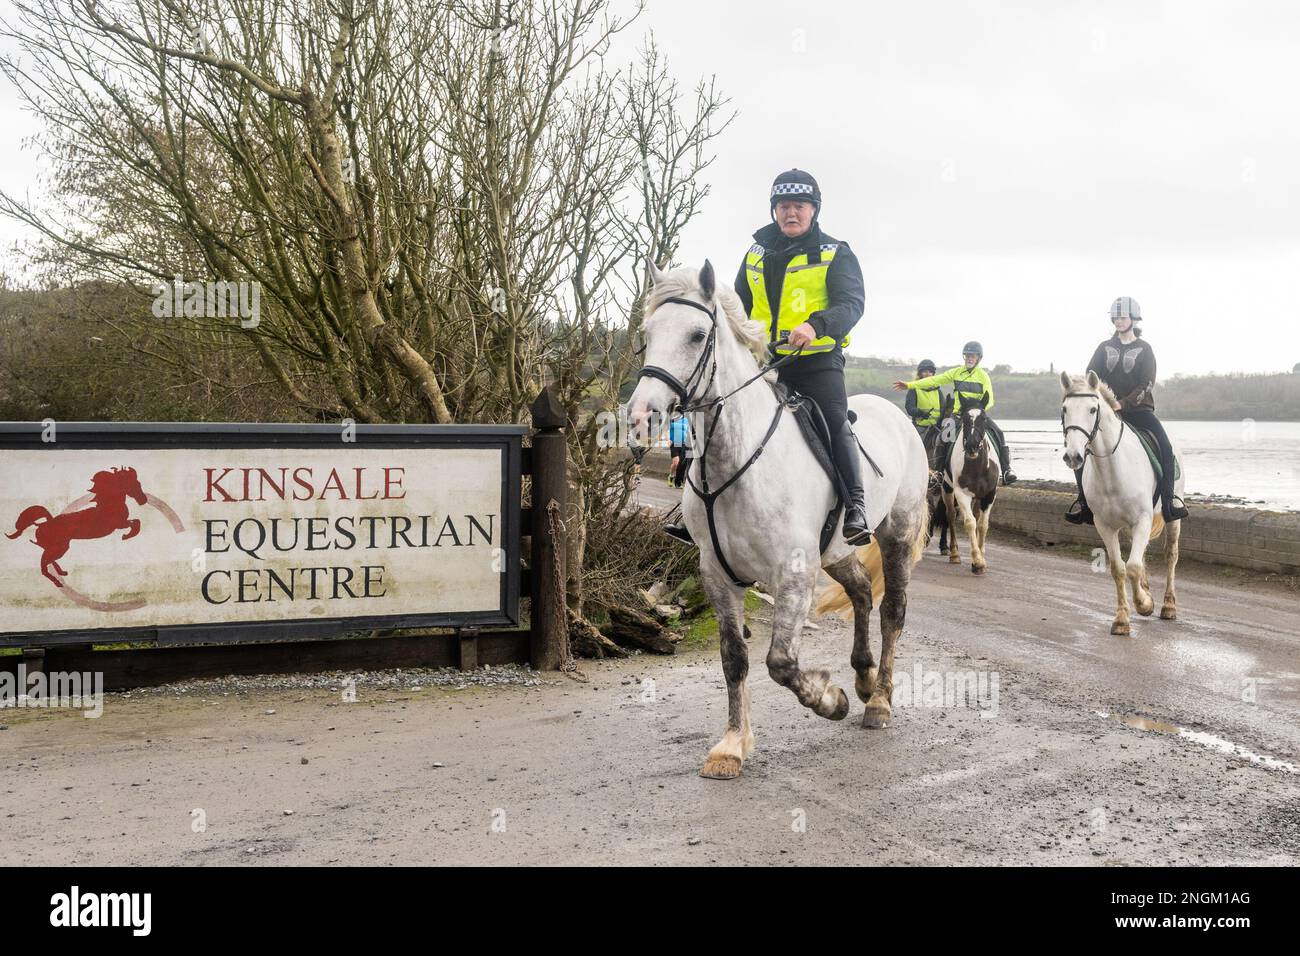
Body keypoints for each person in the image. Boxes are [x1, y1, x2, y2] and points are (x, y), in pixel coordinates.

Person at [664, 168, 871, 546]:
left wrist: (815, 325)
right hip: (763, 362)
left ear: (814, 210)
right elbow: (737, 307)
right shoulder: (756, 254)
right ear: (774, 210)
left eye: (799, 206)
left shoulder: (836, 253)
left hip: (816, 363)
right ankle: (690, 510)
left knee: (835, 421)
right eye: (783, 206)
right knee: (711, 412)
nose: (791, 213)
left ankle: (856, 506)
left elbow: (852, 304)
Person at [1065, 297, 1189, 525]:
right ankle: (1084, 503)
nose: (1119, 321)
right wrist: (1104, 403)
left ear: (1133, 319)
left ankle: (1170, 501)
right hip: (1107, 415)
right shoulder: (1104, 348)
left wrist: (1123, 403)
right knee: (1079, 449)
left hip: (1139, 411)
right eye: (1116, 318)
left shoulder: (1144, 349)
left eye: (1123, 317)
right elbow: (1090, 376)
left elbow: (1147, 384)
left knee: (1166, 447)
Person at [892, 342, 1017, 483]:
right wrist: (909, 385)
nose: (969, 358)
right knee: (943, 437)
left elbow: (990, 400)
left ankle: (1007, 470)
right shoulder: (956, 373)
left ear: (978, 358)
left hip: (977, 416)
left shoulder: (983, 376)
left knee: (999, 433)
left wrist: (977, 413)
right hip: (958, 415)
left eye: (973, 356)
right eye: (967, 356)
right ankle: (938, 472)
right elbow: (933, 380)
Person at [905, 358, 946, 469]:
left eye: (930, 372)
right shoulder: (914, 389)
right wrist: (921, 413)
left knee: (949, 444)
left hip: (937, 427)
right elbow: (909, 408)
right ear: (920, 374)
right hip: (921, 427)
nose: (928, 374)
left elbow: (943, 409)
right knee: (915, 450)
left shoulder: (938, 391)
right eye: (925, 371)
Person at [667, 412, 691, 488]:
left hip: (684, 444)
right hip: (674, 443)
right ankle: (671, 476)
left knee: (682, 464)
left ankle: (678, 482)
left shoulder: (686, 420)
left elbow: (689, 431)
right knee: (676, 463)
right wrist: (668, 439)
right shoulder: (672, 420)